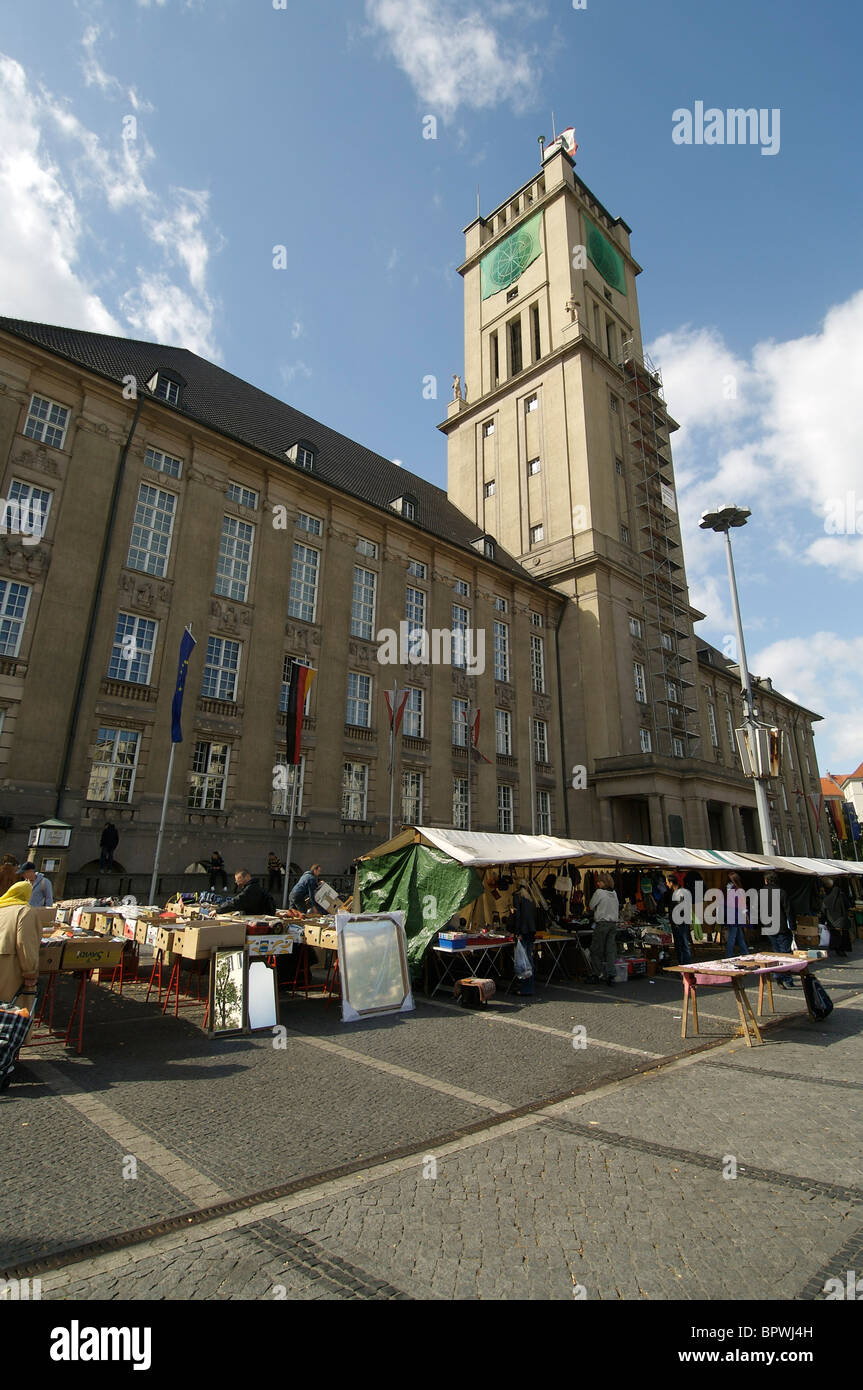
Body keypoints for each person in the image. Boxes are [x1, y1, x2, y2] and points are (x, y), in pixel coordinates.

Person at [0, 879, 40, 1009]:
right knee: (12, 1012)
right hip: (10, 966)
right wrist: (30, 972)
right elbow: (25, 944)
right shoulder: (25, 911)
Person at [589, 872, 621, 986]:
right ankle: (611, 974)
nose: (597, 883)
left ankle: (596, 974)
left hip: (602, 923)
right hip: (613, 924)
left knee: (597, 950)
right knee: (610, 950)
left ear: (604, 882)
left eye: (599, 881)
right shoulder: (614, 893)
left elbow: (591, 905)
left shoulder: (599, 892)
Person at [512, 880, 537, 996]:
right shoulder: (531, 898)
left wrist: (517, 932)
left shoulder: (518, 896)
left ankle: (525, 988)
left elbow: (518, 916)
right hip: (531, 932)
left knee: (523, 961)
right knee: (528, 959)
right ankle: (530, 986)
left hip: (523, 931)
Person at [822, 878, 853, 957]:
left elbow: (823, 909)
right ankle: (842, 949)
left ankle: (836, 948)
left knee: (835, 934)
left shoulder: (827, 898)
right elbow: (848, 906)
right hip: (842, 919)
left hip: (831, 920)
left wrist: (824, 918)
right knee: (844, 935)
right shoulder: (842, 896)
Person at [724, 872, 750, 958]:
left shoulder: (728, 891)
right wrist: (746, 915)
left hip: (731, 914)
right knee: (733, 936)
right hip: (737, 915)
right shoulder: (738, 890)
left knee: (738, 936)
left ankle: (745, 952)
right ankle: (729, 955)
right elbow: (742, 904)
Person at [669, 880, 693, 966]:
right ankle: (682, 964)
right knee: (680, 945)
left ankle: (685, 965)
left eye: (667, 882)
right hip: (679, 922)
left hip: (680, 922)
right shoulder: (675, 892)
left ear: (671, 882)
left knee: (683, 945)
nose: (666, 884)